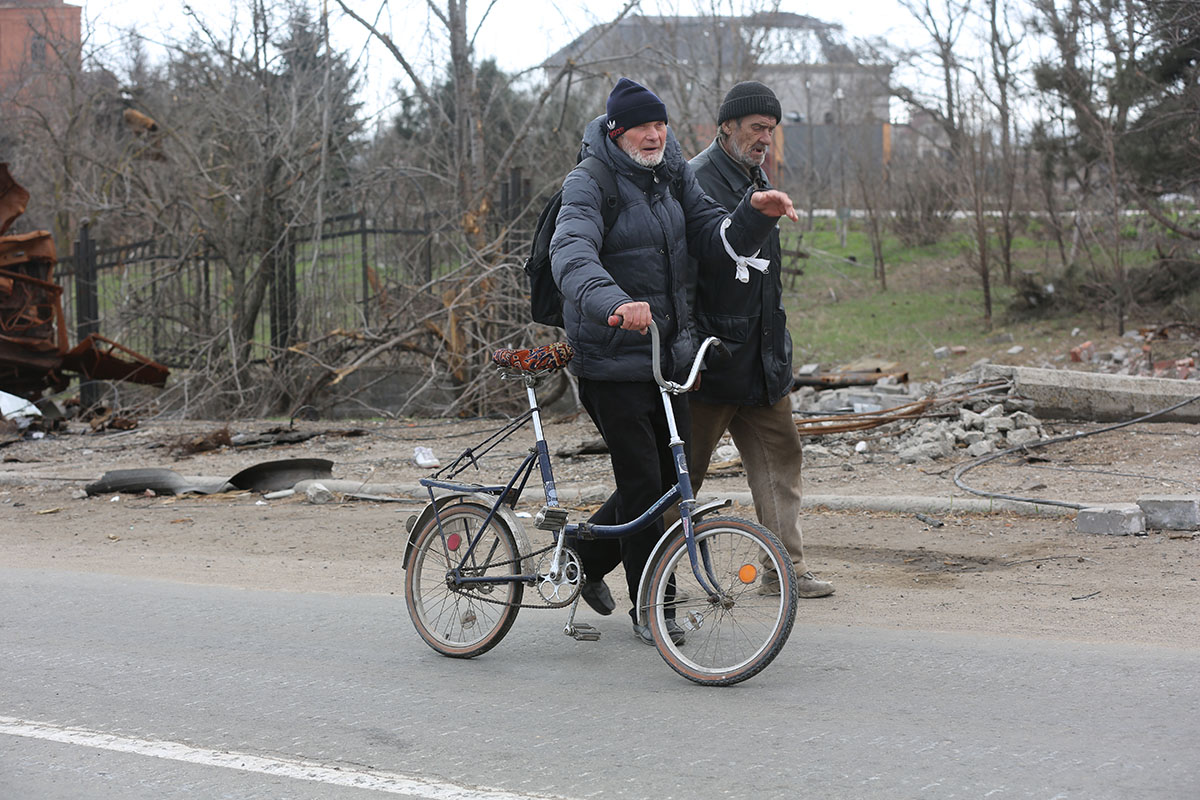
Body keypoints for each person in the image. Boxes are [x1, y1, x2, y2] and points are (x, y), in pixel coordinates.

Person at [550, 77, 799, 643]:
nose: (656, 135)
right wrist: (615, 303)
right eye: (644, 126)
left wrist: (753, 215)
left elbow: (712, 233)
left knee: (669, 483)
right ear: (617, 132)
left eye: (661, 125)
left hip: (669, 358)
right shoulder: (589, 183)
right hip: (611, 359)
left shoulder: (673, 174)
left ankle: (585, 555)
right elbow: (572, 254)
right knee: (644, 483)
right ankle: (652, 607)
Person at [686, 80, 834, 599]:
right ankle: (653, 582)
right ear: (726, 126)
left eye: (770, 130)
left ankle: (783, 571)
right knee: (681, 478)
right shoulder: (696, 181)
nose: (764, 139)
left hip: (761, 361)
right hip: (712, 365)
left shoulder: (755, 175)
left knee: (781, 459)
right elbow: (696, 271)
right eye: (756, 128)